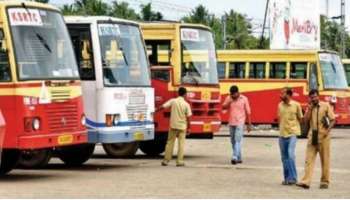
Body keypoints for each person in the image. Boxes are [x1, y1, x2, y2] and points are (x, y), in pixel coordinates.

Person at [296, 89, 335, 189]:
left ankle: (324, 181)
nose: (313, 99)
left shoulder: (326, 105)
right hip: (312, 136)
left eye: (315, 97)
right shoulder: (310, 107)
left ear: (318, 96)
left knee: (325, 160)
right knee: (308, 160)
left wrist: (327, 131)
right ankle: (306, 182)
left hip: (324, 137)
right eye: (311, 97)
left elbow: (333, 120)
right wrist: (309, 109)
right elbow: (305, 121)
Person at [157, 87, 192, 167]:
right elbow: (189, 117)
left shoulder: (173, 101)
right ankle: (179, 162)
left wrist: (155, 110)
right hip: (182, 127)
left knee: (170, 143)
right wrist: (189, 128)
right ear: (185, 94)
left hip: (173, 126)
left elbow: (163, 106)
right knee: (181, 144)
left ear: (178, 93)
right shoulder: (186, 104)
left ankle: (166, 161)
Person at [277, 88, 303, 185]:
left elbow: (301, 119)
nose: (280, 95)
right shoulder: (279, 105)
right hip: (282, 135)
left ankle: (293, 178)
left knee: (290, 155)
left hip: (292, 134)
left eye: (282, 93)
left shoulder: (296, 105)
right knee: (284, 158)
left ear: (288, 95)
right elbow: (280, 119)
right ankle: (287, 178)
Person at [222, 85, 252, 165]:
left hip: (240, 122)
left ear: (238, 93)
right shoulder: (229, 98)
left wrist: (249, 124)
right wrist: (229, 101)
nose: (233, 96)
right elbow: (223, 107)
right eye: (231, 94)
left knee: (237, 140)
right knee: (233, 141)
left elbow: (248, 112)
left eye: (234, 94)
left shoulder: (244, 99)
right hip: (231, 122)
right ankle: (239, 158)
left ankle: (234, 156)